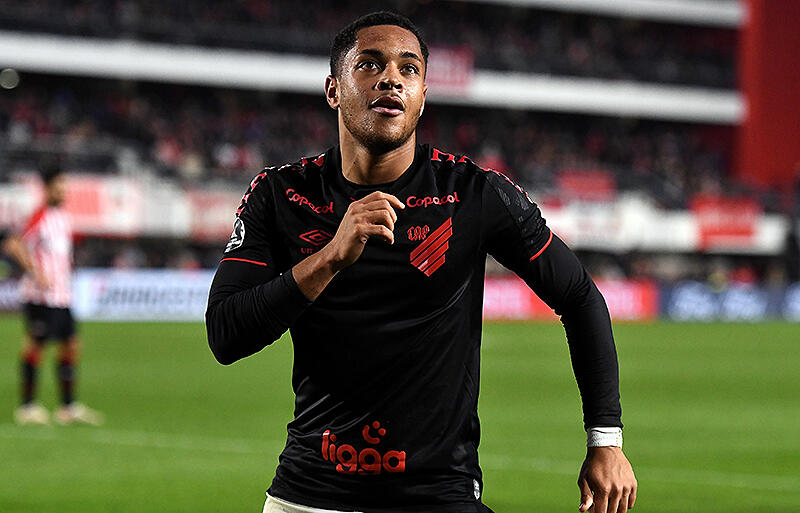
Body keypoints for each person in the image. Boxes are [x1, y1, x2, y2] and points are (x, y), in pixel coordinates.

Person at [206, 11, 636, 513]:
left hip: (438, 495)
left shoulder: (473, 193)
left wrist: (606, 440)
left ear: (422, 96)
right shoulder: (281, 194)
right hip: (309, 494)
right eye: (370, 64)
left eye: (408, 68)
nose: (391, 78)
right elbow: (226, 335)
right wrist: (330, 258)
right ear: (333, 90)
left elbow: (580, 296)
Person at [3, 160, 103, 426]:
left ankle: (67, 407)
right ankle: (27, 407)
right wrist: (36, 272)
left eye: (65, 186)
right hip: (40, 296)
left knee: (71, 345)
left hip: (62, 296)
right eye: (59, 186)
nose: (64, 190)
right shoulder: (39, 216)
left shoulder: (63, 218)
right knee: (35, 346)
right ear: (47, 188)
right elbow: (13, 245)